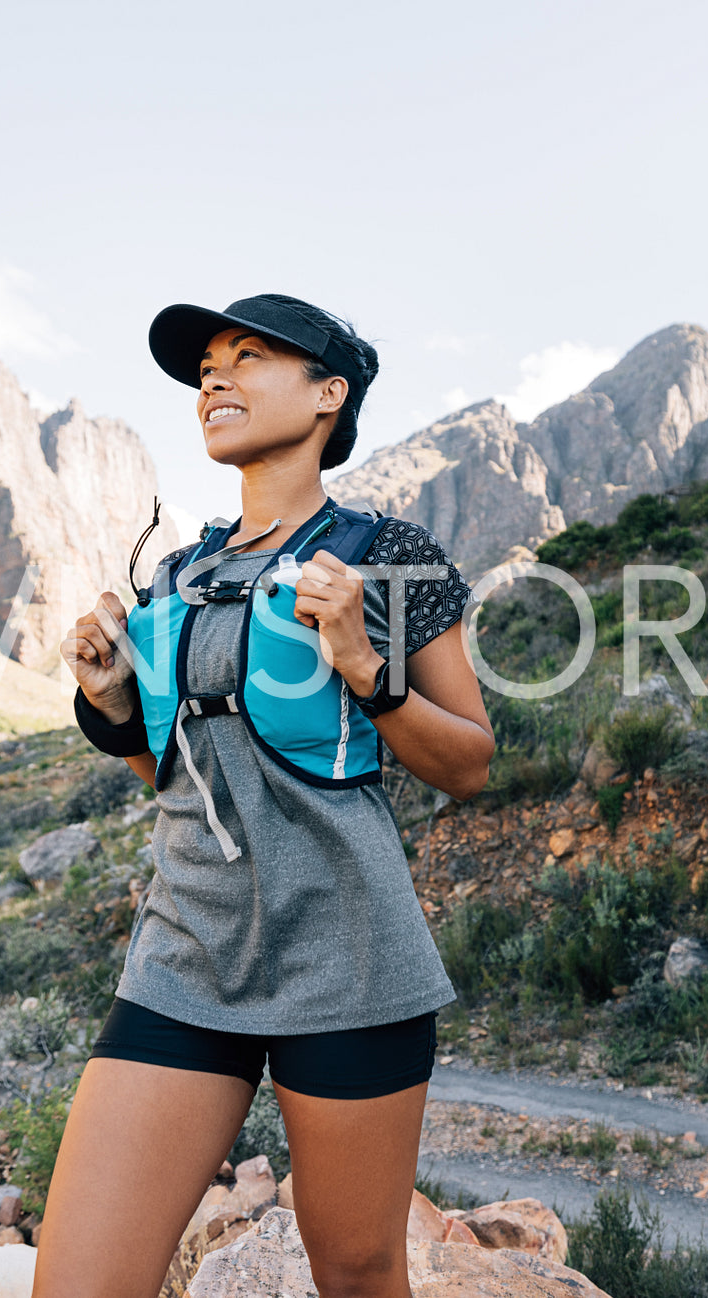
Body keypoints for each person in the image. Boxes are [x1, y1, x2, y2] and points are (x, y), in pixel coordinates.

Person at [46, 293, 496, 1298]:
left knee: (355, 1270)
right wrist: (110, 700)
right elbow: (166, 776)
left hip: (346, 957)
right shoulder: (177, 573)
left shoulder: (387, 554)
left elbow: (467, 761)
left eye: (248, 357)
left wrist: (366, 668)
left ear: (328, 394)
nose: (215, 377)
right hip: (183, 956)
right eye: (207, 364)